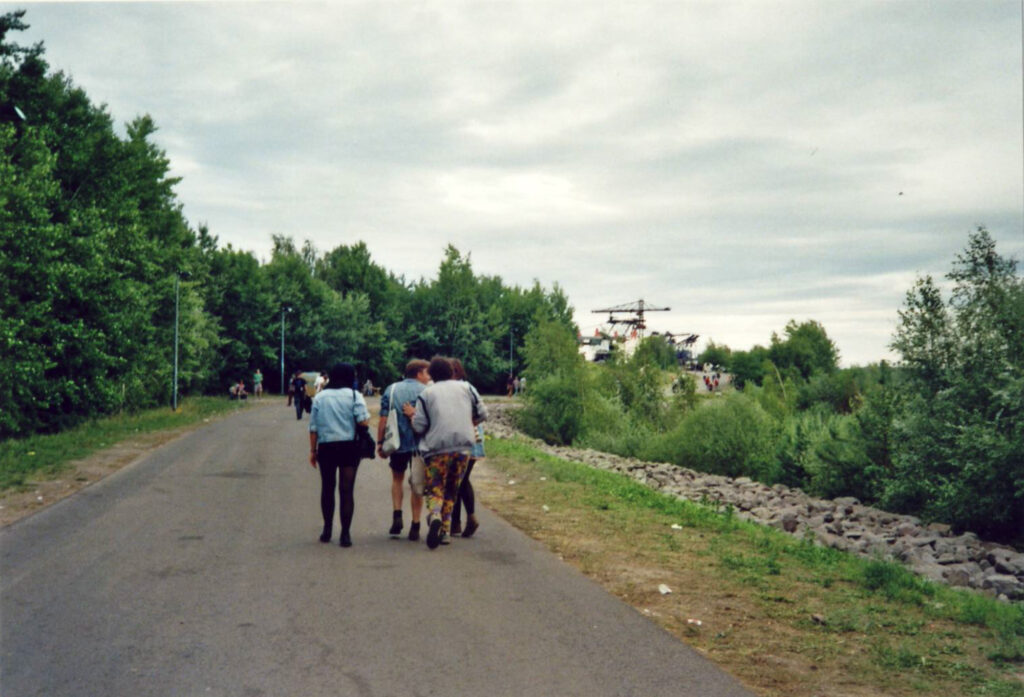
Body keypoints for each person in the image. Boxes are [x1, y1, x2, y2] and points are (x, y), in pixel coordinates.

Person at [407, 357, 487, 549]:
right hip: (462, 449)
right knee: (452, 488)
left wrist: (413, 419)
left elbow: (419, 425)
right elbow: (483, 413)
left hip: (437, 450)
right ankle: (445, 531)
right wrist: (469, 423)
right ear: (452, 371)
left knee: (436, 487)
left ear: (432, 374)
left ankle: (434, 515)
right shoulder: (467, 388)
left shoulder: (427, 393)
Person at [309, 362, 370, 547]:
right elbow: (364, 422)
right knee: (346, 490)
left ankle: (327, 530)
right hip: (349, 447)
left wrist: (313, 451)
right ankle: (345, 534)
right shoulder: (354, 395)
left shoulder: (320, 397)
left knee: (327, 488)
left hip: (326, 447)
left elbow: (313, 428)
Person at [377, 359, 430, 541]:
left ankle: (397, 515)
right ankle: (415, 524)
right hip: (420, 445)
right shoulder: (427, 392)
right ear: (418, 374)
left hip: (397, 443)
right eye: (427, 373)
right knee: (417, 485)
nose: (429, 377)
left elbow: (384, 418)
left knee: (397, 479)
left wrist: (379, 442)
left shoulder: (391, 389)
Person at [450, 358, 483, 538]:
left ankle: (461, 521)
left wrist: (467, 423)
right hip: (475, 437)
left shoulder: (456, 390)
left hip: (462, 438)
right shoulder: (470, 388)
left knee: (456, 480)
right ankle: (460, 521)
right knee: (461, 479)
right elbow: (481, 412)